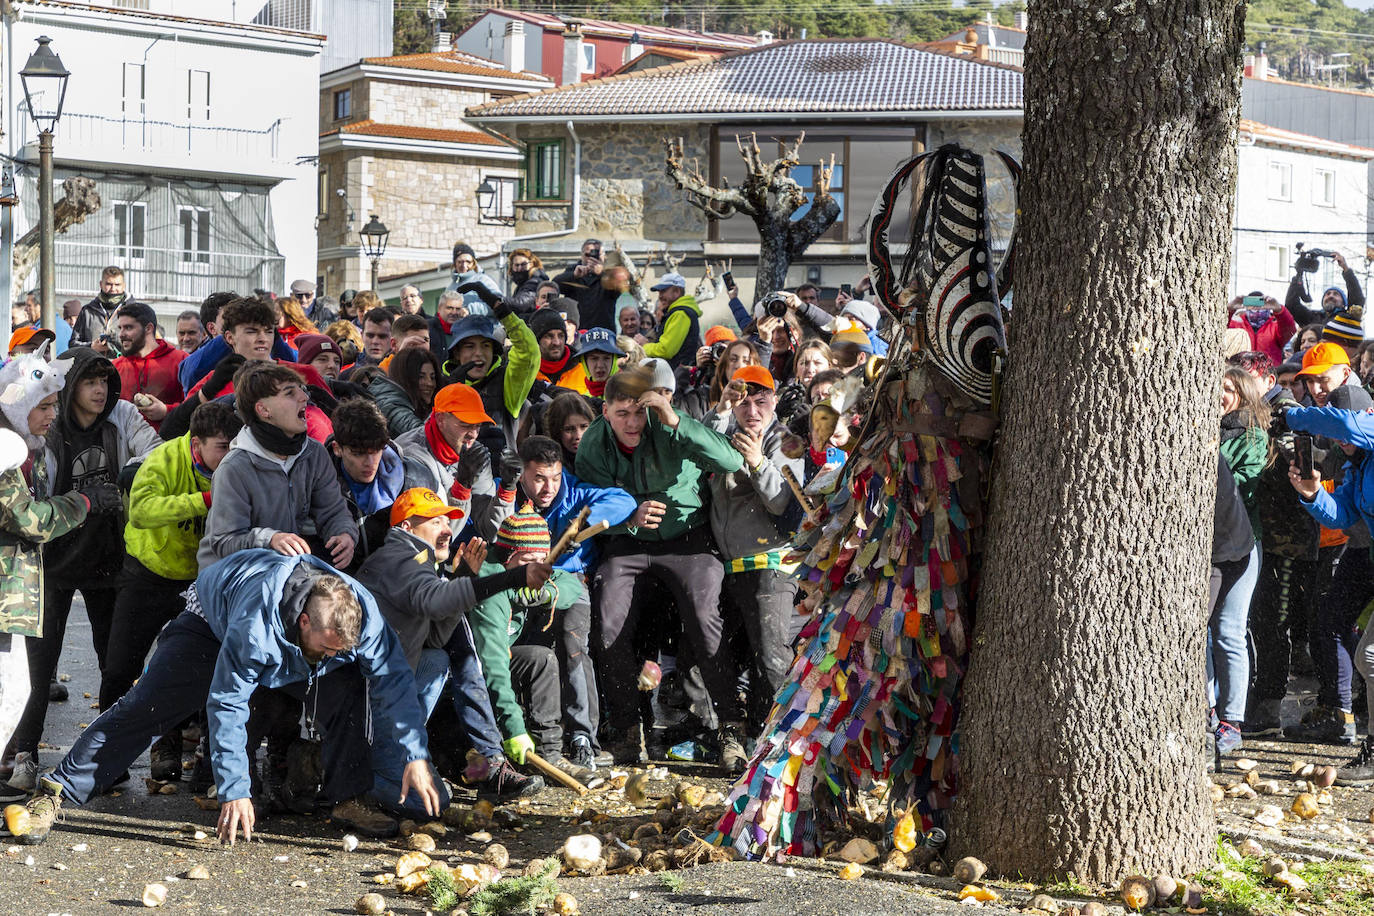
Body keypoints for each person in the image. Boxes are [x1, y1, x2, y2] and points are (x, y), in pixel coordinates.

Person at [4, 550, 444, 845]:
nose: (333, 654)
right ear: (304, 620)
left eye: (340, 648)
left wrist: (415, 754)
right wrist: (235, 789)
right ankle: (58, 791)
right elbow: (227, 701)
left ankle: (349, 796)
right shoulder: (256, 625)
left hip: (290, 640)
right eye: (328, 647)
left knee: (352, 681)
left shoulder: (357, 619)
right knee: (149, 705)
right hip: (211, 623)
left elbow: (395, 683)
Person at [575, 368, 747, 769]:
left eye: (639, 412)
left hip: (687, 537)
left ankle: (731, 729)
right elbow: (589, 505)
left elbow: (730, 459)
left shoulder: (668, 424)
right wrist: (626, 517)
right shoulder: (594, 443)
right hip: (626, 541)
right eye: (622, 414)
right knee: (608, 622)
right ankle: (628, 727)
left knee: (705, 617)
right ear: (605, 412)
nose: (632, 423)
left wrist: (674, 419)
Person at [6, 346, 160, 792]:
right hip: (50, 563)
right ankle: (25, 756)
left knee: (113, 666)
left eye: (107, 383)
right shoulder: (43, 430)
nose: (101, 391)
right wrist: (86, 499)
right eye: (91, 382)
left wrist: (127, 476)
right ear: (70, 387)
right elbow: (31, 510)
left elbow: (155, 453)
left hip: (110, 559)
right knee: (37, 669)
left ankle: (107, 760)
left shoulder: (124, 416)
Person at [354, 488, 546, 800]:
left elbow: (436, 639)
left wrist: (461, 581)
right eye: (434, 522)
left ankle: (410, 753)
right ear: (406, 528)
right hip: (370, 691)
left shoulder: (420, 560)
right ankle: (379, 771)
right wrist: (511, 578)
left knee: (440, 658)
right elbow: (435, 600)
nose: (446, 530)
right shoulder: (402, 559)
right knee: (434, 804)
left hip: (398, 675)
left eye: (447, 522)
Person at [98, 401, 242, 782]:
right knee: (120, 668)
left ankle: (170, 747)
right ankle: (104, 759)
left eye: (235, 446)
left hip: (200, 580)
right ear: (197, 444)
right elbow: (142, 511)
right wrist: (206, 499)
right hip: (148, 572)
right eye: (222, 447)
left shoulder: (237, 466)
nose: (230, 456)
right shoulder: (164, 458)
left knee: (190, 668)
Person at [487, 436, 640, 770]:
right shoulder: (506, 489)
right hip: (512, 584)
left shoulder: (574, 493)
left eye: (554, 477)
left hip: (568, 583)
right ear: (524, 473)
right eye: (540, 478)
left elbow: (623, 501)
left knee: (573, 642)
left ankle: (583, 736)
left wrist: (582, 525)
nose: (548, 487)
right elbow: (489, 529)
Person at [0, 350, 88, 804]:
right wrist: (82, 503)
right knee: (8, 693)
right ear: (18, 403)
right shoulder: (5, 448)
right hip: (2, 598)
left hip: (8, 598)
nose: (52, 415)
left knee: (14, 690)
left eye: (55, 405)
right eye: (44, 405)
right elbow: (29, 520)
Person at [705, 365, 803, 732]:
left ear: (774, 402)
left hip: (772, 564)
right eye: (743, 403)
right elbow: (697, 444)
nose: (752, 412)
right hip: (728, 566)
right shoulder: (723, 433)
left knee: (772, 658)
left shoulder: (786, 440)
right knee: (723, 656)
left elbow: (782, 503)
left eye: (761, 402)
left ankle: (780, 738)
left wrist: (759, 462)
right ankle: (737, 734)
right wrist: (720, 411)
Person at [1284, 400, 1374, 783]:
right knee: (1366, 657)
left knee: (1369, 657)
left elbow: (1347, 423)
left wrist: (1291, 415)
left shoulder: (1366, 429)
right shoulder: (1355, 463)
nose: (1340, 439)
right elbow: (1346, 516)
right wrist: (1312, 493)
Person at [196, 361, 356, 570]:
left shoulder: (314, 454)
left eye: (303, 390)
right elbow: (224, 542)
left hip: (280, 567)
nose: (304, 397)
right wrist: (269, 539)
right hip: (229, 573)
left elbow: (333, 510)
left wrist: (344, 534)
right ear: (263, 410)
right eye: (290, 393)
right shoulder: (234, 468)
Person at [438, 293, 539, 459]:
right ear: (456, 353)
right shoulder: (441, 385)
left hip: (502, 479)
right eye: (470, 347)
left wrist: (500, 309)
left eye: (486, 346)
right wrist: (453, 394)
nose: (479, 354)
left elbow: (529, 353)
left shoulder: (507, 383)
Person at [396, 383, 497, 529]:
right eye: (465, 424)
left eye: (477, 426)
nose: (473, 434)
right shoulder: (413, 455)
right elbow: (434, 538)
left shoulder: (473, 451)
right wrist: (462, 486)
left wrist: (506, 493)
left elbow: (491, 531)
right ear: (440, 419)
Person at [326, 398, 405, 565]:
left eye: (376, 451)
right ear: (337, 449)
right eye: (358, 454)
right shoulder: (319, 484)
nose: (370, 463)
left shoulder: (412, 478)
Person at [112, 302, 186, 431]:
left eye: (128, 328)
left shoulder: (181, 361)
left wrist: (166, 411)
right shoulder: (115, 367)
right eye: (120, 328)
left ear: (149, 328)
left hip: (168, 445)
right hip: (124, 447)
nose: (121, 334)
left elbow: (198, 405)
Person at [372, 347, 441, 438]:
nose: (430, 383)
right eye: (421, 377)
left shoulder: (417, 404)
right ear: (404, 377)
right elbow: (423, 436)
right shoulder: (389, 403)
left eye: (432, 377)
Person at [1285, 249, 1364, 326]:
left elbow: (1357, 298)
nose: (1331, 296)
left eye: (1336, 294)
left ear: (1344, 303)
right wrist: (1299, 274)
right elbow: (1291, 305)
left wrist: (1345, 268)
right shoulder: (1312, 318)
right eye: (1327, 294)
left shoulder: (1348, 317)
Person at [641, 273, 701, 370]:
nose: (660, 296)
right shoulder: (677, 312)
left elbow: (666, 350)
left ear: (677, 291)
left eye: (663, 291)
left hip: (677, 377)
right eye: (659, 292)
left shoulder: (680, 314)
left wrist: (643, 346)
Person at [1226, 293, 1296, 366]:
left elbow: (1290, 329)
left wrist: (1279, 309)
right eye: (1251, 303)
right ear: (1246, 305)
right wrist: (1230, 309)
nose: (1256, 308)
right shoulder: (1236, 326)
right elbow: (1221, 328)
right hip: (1240, 373)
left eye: (1260, 303)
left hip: (1268, 373)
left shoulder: (1275, 328)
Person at [555, 328, 622, 399]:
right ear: (584, 362)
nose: (600, 365)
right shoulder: (582, 400)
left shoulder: (628, 394)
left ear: (614, 360)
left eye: (606, 358)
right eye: (594, 359)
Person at [72, 266, 128, 347]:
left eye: (117, 285)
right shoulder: (87, 311)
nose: (113, 288)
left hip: (123, 359)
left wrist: (117, 343)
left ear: (124, 286)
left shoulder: (133, 311)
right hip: (93, 359)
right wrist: (91, 346)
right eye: (109, 284)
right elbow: (73, 344)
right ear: (101, 284)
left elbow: (140, 345)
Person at [445, 243, 501, 318]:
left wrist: (470, 310)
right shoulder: (450, 288)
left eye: (468, 262)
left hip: (485, 328)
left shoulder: (483, 280)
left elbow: (499, 304)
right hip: (458, 329)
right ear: (455, 264)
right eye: (460, 262)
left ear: (473, 263)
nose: (464, 266)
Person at [543, 392, 596, 467]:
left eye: (584, 426)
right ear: (556, 432)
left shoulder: (607, 461)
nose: (578, 436)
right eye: (569, 429)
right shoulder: (548, 468)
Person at [532, 309, 576, 387]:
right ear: (537, 341)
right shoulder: (526, 370)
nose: (556, 342)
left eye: (561, 335)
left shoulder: (582, 366)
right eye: (549, 336)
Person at [504, 248, 548, 320]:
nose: (520, 268)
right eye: (516, 265)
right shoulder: (522, 283)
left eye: (523, 264)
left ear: (532, 264)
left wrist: (500, 300)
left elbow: (521, 304)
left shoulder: (536, 280)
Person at [428, 290, 467, 361]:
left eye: (458, 309)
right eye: (449, 308)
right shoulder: (428, 329)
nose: (454, 312)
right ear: (439, 308)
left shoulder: (466, 331)